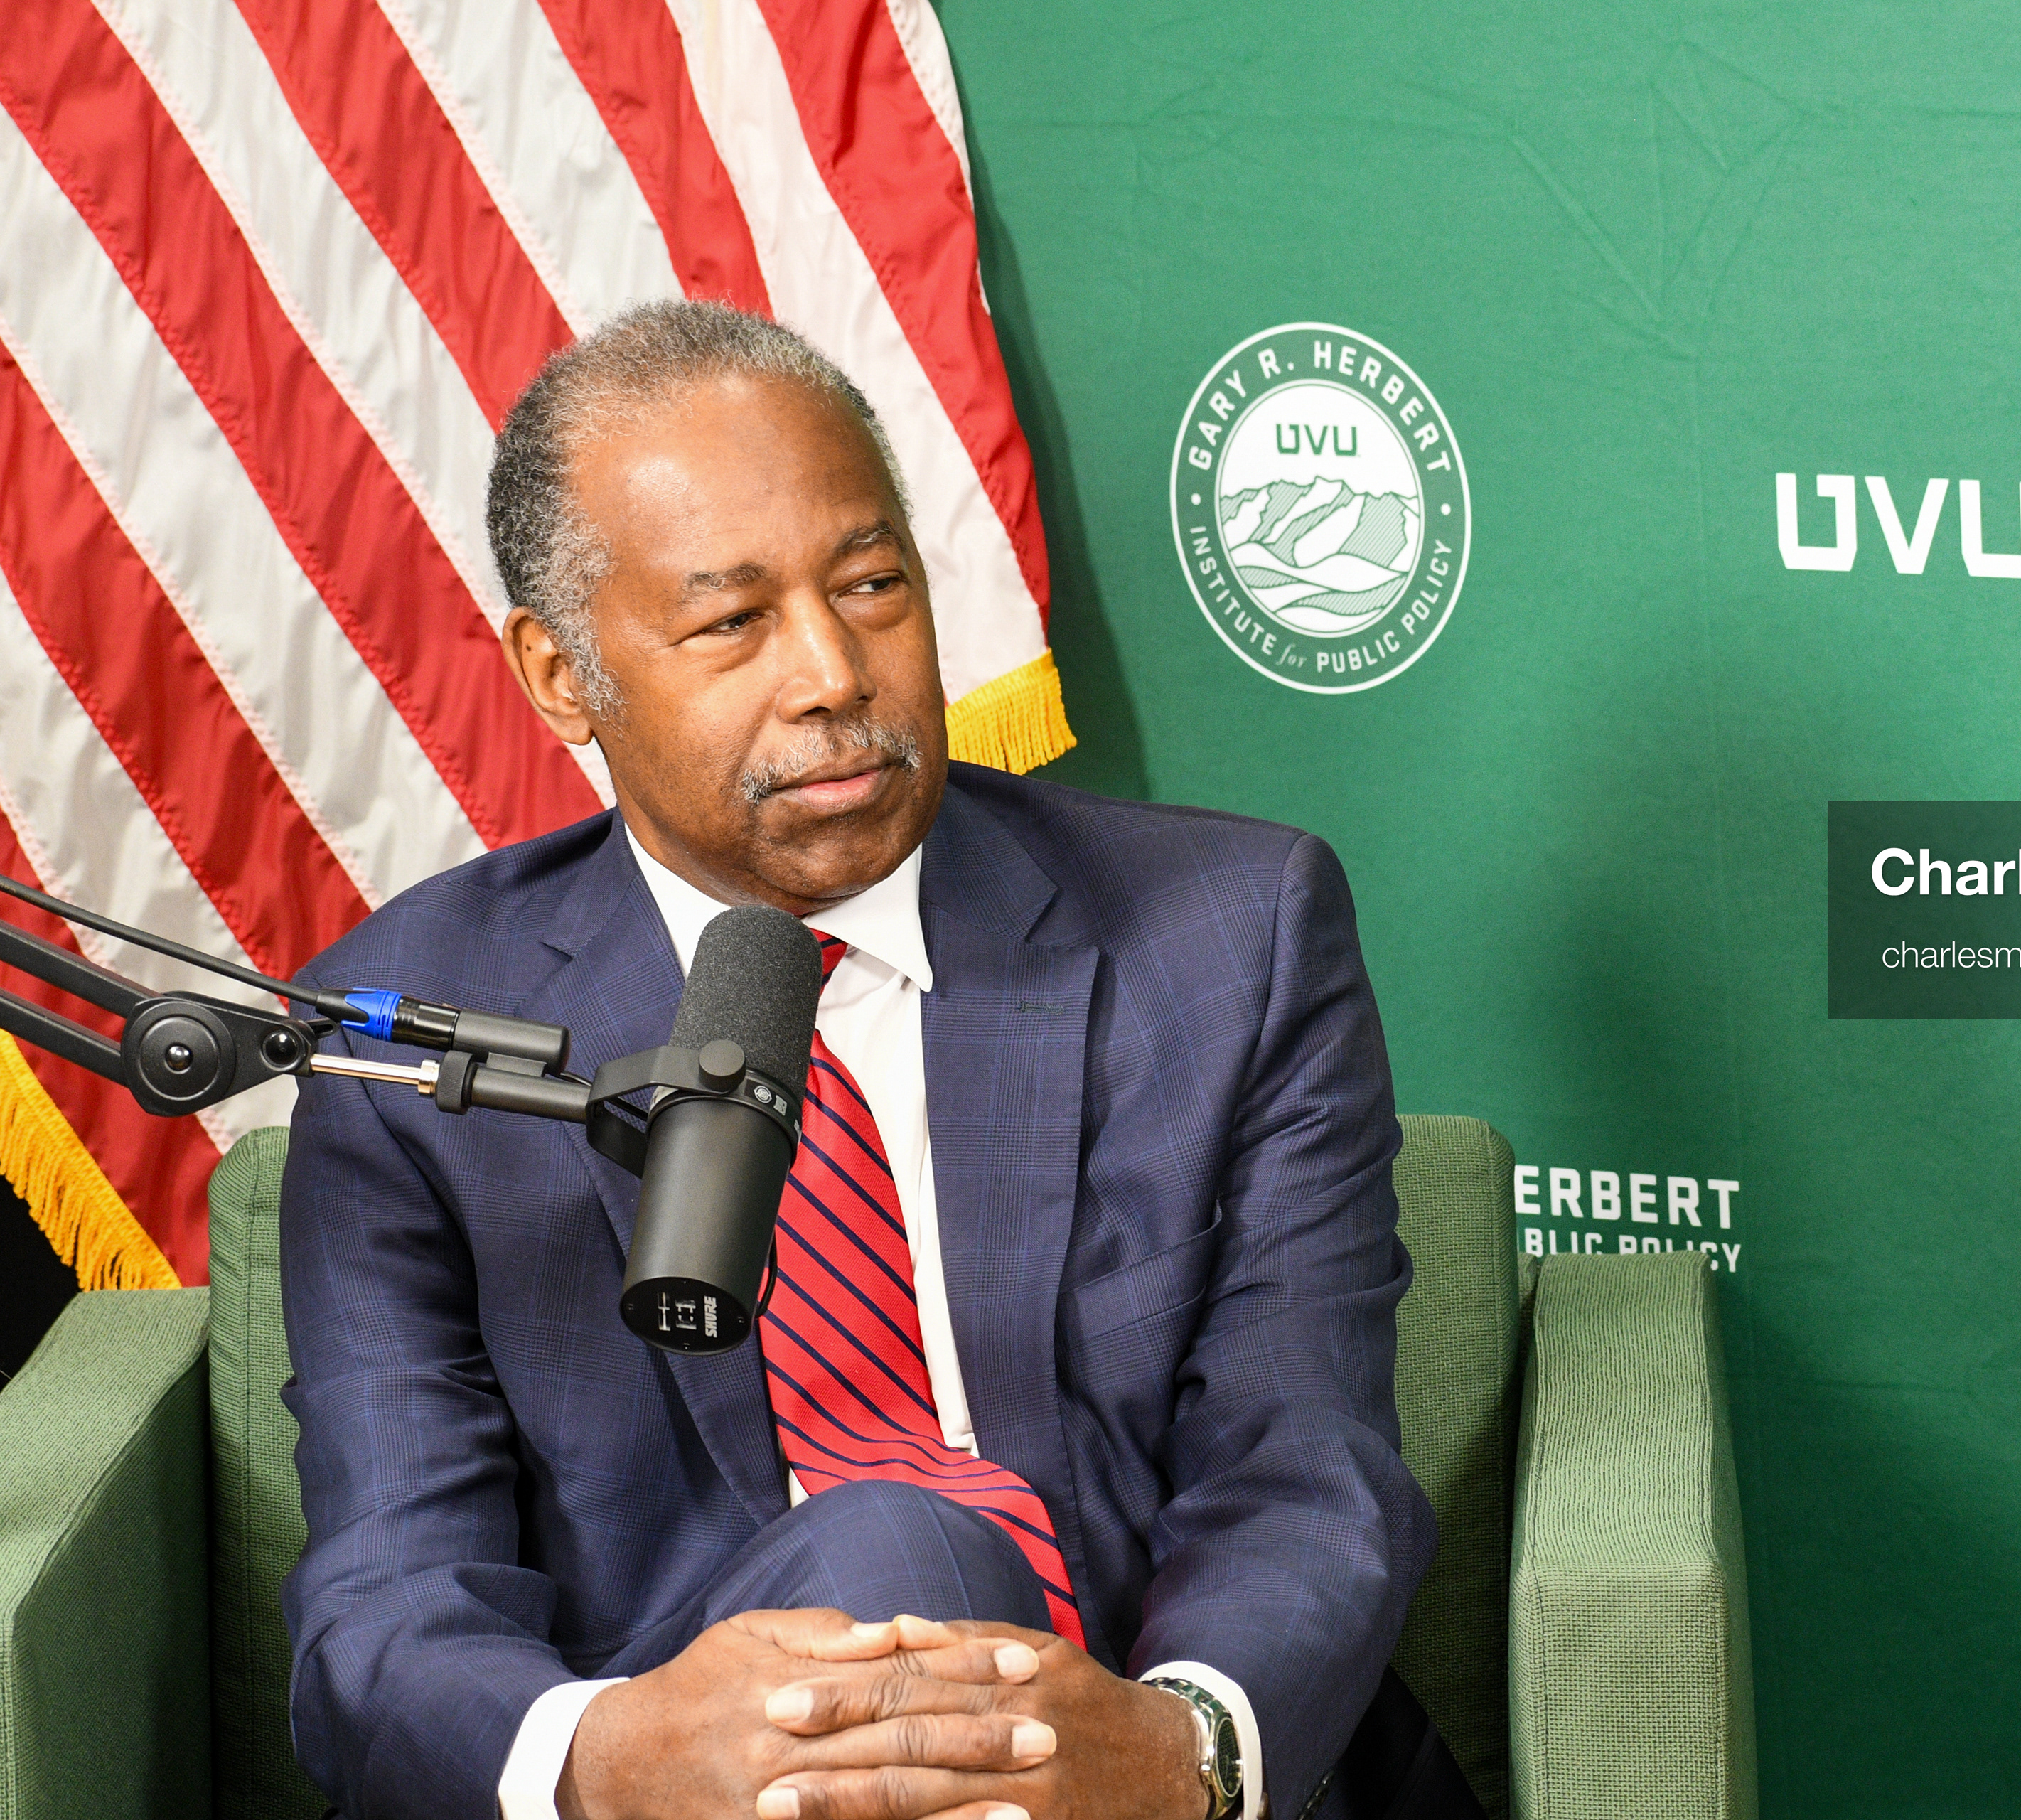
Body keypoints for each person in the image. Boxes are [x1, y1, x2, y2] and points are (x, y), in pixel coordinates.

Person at [279, 301, 1476, 1820]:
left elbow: (1305, 1469)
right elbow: (391, 1591)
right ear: (561, 672)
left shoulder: (1232, 937)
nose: (834, 672)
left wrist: (1185, 1752)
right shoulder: (415, 1031)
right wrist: (613, 1758)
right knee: (891, 1552)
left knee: (900, 1547)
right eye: (733, 622)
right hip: (690, 1785)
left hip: (1129, 1747)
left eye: (872, 585)